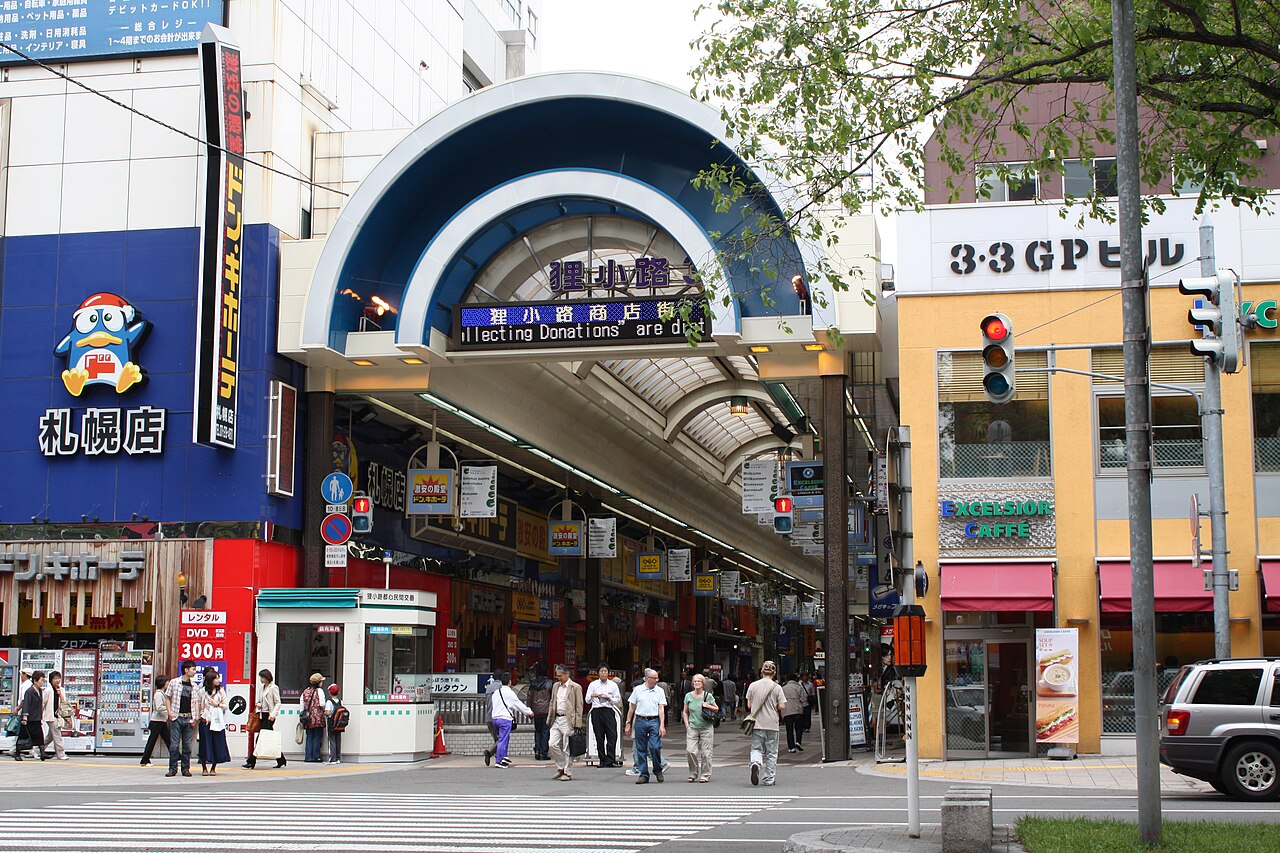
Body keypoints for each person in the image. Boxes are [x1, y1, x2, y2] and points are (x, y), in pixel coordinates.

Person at [744, 660, 787, 787]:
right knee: (771, 752)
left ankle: (756, 763)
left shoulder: (753, 685)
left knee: (756, 748)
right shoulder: (777, 687)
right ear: (774, 673)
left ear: (762, 671)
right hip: (772, 724)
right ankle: (768, 778)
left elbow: (749, 705)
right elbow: (782, 706)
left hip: (757, 723)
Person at [624, 668, 667, 784]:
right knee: (640, 748)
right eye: (655, 678)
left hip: (654, 720)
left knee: (655, 747)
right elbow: (631, 707)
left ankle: (658, 769)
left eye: (657, 678)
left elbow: (661, 708)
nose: (657, 680)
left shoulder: (659, 691)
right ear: (647, 679)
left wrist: (662, 725)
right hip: (640, 720)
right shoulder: (638, 690)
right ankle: (644, 774)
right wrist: (628, 723)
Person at [164, 661, 202, 777]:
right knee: (174, 745)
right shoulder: (174, 683)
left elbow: (196, 702)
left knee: (187, 745)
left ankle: (185, 769)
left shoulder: (194, 686)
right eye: (193, 669)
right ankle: (172, 769)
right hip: (176, 717)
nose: (194, 672)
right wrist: (169, 712)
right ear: (186, 670)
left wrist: (195, 718)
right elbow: (167, 697)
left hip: (189, 718)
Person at [488, 671, 532, 769]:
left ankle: (504, 757)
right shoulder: (509, 693)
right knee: (503, 740)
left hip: (495, 719)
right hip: (505, 719)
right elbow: (518, 704)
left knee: (503, 738)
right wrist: (529, 712)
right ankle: (499, 761)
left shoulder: (496, 692)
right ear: (509, 682)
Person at [547, 664, 583, 781]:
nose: (558, 678)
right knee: (552, 744)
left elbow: (579, 706)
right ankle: (561, 766)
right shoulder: (555, 686)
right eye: (557, 675)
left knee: (567, 747)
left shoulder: (575, 687)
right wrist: (550, 718)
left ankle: (567, 772)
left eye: (560, 675)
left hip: (568, 720)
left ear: (567, 674)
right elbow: (553, 702)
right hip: (556, 718)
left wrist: (578, 723)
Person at [244, 669, 286, 769]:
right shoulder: (262, 688)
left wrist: (273, 714)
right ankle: (281, 760)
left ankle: (251, 761)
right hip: (262, 715)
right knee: (269, 738)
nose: (261, 679)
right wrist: (258, 704)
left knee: (260, 739)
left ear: (267, 677)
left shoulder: (273, 688)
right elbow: (260, 700)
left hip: (269, 716)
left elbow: (278, 702)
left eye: (262, 677)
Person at [682, 673, 718, 783]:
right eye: (695, 681)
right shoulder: (688, 696)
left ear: (703, 684)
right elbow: (685, 711)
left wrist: (708, 705)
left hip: (706, 727)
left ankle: (705, 774)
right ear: (693, 683)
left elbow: (716, 708)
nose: (697, 683)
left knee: (706, 753)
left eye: (699, 681)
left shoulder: (708, 696)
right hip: (693, 727)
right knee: (690, 751)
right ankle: (693, 773)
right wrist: (687, 725)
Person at [584, 664, 622, 767]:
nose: (603, 673)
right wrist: (593, 695)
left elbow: (617, 699)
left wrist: (609, 698)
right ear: (598, 673)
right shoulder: (593, 685)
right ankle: (602, 759)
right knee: (599, 736)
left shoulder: (613, 685)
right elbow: (587, 700)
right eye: (601, 671)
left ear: (608, 673)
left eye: (605, 671)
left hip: (609, 710)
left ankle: (611, 759)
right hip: (596, 711)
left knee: (612, 735)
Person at [198, 667, 230, 776]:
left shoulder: (221, 691)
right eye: (216, 678)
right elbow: (198, 705)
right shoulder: (202, 691)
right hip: (205, 720)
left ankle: (213, 767)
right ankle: (204, 767)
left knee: (217, 743)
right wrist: (199, 717)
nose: (218, 680)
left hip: (217, 721)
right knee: (204, 744)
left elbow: (226, 705)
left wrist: (217, 704)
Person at [13, 670, 47, 761]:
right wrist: (24, 717)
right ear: (35, 681)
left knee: (40, 736)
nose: (42, 682)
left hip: (36, 718)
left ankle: (42, 753)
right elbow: (26, 704)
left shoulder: (40, 690)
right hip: (29, 718)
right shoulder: (29, 691)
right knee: (23, 736)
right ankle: (17, 753)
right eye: (41, 680)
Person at [140, 675, 169, 766]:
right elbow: (159, 707)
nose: (168, 684)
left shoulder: (162, 694)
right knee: (152, 741)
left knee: (168, 740)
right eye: (167, 683)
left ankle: (178, 757)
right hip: (157, 721)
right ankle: (144, 760)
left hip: (161, 721)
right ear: (163, 684)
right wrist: (169, 710)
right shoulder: (158, 694)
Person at [527, 664, 553, 761]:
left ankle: (537, 750)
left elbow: (529, 697)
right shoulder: (550, 683)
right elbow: (553, 698)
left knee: (537, 731)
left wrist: (529, 710)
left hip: (535, 711)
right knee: (545, 731)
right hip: (546, 711)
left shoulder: (533, 683)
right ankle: (543, 752)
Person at [42, 671, 69, 760]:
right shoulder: (48, 690)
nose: (57, 680)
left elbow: (64, 702)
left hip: (58, 716)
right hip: (50, 716)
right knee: (57, 734)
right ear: (51, 680)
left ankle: (37, 750)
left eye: (58, 678)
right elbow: (43, 703)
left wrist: (59, 693)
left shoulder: (62, 690)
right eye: (55, 678)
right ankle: (60, 754)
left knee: (50, 736)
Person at [300, 672, 327, 762]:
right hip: (317, 717)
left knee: (309, 736)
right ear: (318, 682)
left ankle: (308, 757)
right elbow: (322, 704)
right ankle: (316, 756)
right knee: (317, 737)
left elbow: (302, 705)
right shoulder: (319, 691)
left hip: (307, 718)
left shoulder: (305, 691)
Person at [782, 672, 807, 753]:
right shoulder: (799, 687)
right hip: (797, 710)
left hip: (787, 710)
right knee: (799, 728)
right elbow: (804, 699)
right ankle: (798, 741)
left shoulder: (783, 688)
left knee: (789, 730)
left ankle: (791, 747)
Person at [324, 683, 346, 764]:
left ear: (329, 693)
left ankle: (332, 759)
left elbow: (328, 712)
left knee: (331, 740)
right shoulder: (341, 702)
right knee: (338, 740)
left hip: (331, 723)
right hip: (340, 724)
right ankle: (337, 758)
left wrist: (324, 713)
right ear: (339, 692)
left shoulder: (329, 702)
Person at [801, 672, 817, 741]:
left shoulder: (810, 685)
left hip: (808, 702)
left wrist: (812, 700)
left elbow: (813, 693)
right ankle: (802, 726)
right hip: (801, 702)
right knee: (802, 715)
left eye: (807, 676)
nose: (806, 678)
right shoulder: (799, 684)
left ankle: (807, 727)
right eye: (804, 676)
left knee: (807, 715)